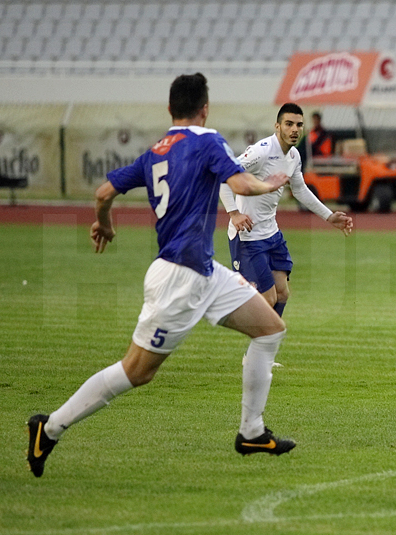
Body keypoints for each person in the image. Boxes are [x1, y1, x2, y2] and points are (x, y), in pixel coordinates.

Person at [26, 73, 296, 478]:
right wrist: (266, 183)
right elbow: (238, 181)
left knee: (270, 328)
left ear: (170, 109)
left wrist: (105, 224)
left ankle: (252, 432)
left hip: (205, 271)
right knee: (137, 371)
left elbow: (103, 193)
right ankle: (49, 428)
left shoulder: (154, 152)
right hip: (178, 278)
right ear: (204, 109)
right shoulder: (207, 141)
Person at [219, 103, 353, 318]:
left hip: (271, 234)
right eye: (289, 124)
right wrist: (234, 213)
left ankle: (263, 347)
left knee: (282, 294)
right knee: (268, 299)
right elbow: (224, 176)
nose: (295, 129)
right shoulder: (260, 152)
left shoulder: (293, 156)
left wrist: (329, 216)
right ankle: (226, 308)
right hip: (248, 237)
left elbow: (300, 190)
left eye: (299, 125)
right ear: (277, 126)